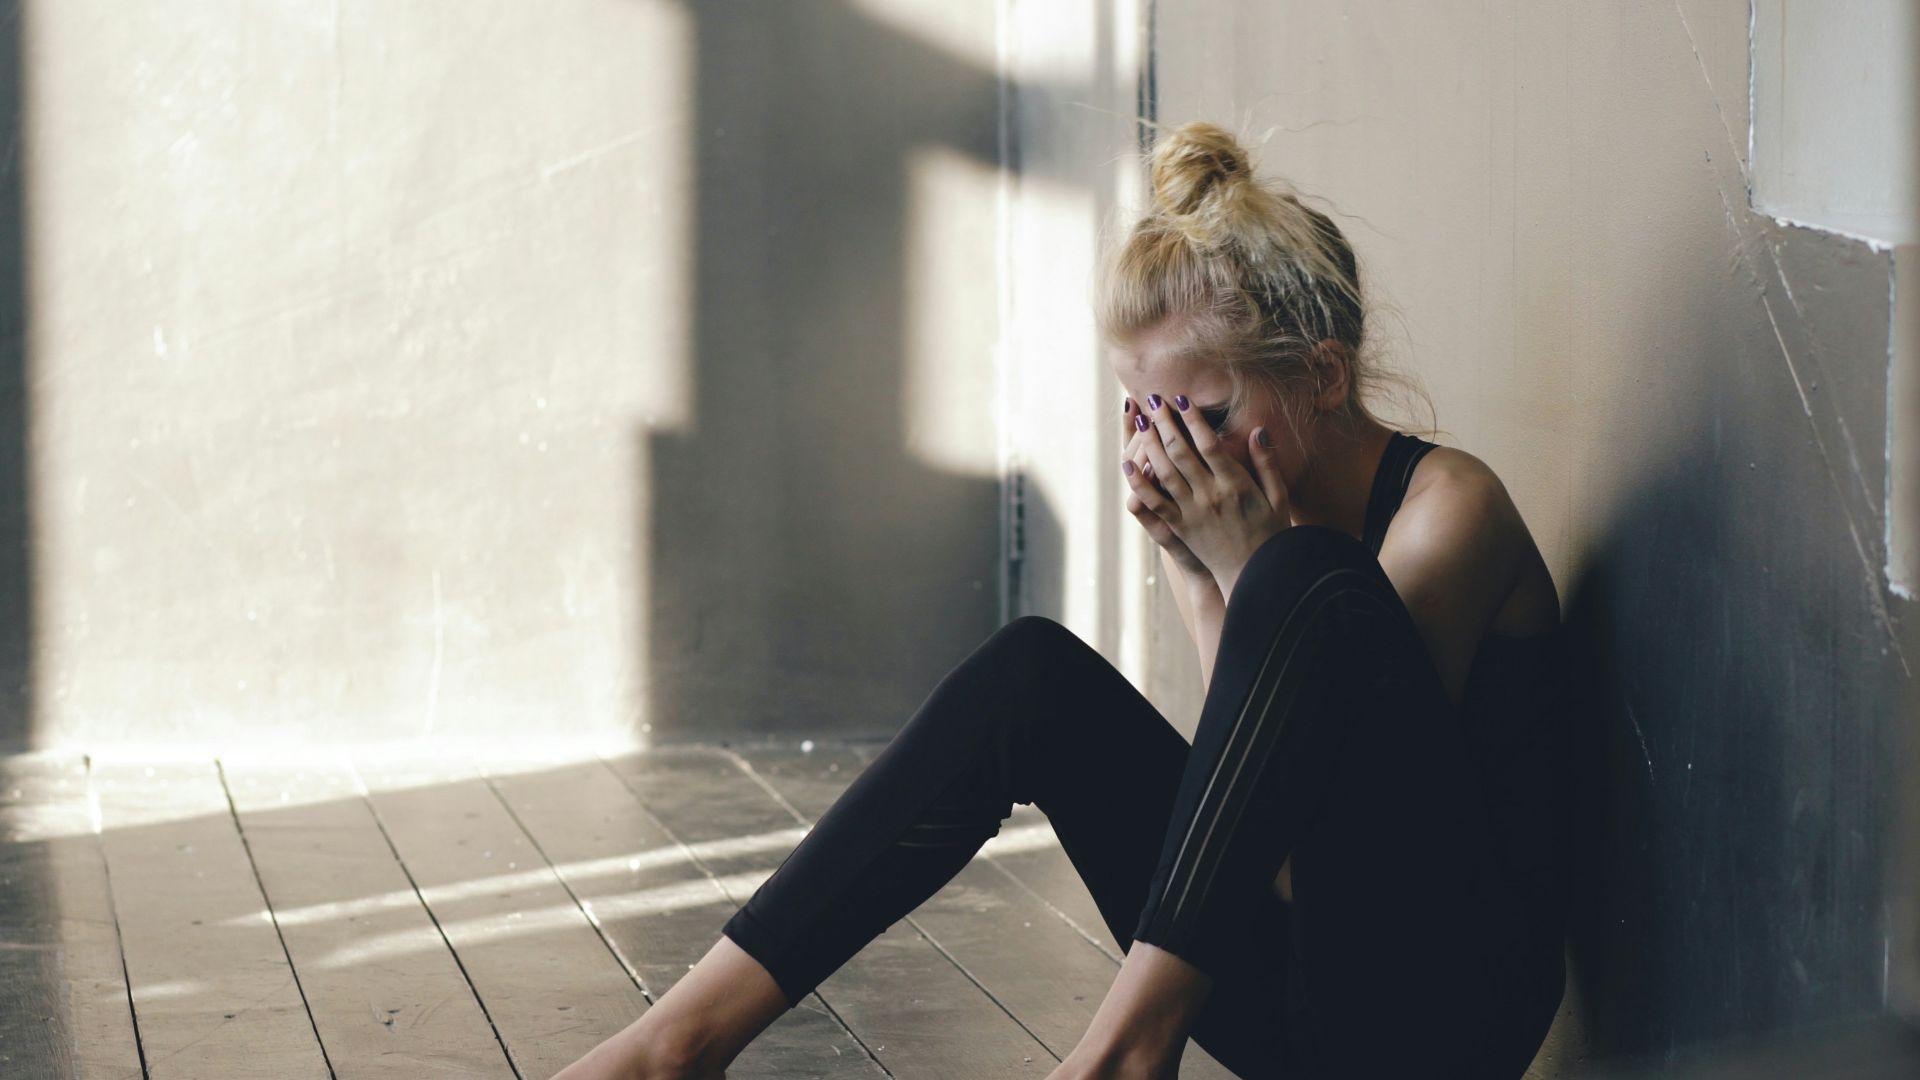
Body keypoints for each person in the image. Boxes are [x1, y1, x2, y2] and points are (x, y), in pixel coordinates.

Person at [554, 119, 1571, 1080]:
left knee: (1308, 578)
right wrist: (1201, 570)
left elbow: (1304, 865)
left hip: (1442, 1021)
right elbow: (1243, 825)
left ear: (1323, 377)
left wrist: (1249, 570)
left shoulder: (1447, 516)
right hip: (1297, 1008)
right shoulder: (1266, 541)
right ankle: (674, 1045)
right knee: (1033, 674)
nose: (1179, 451)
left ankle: (1119, 1056)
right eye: (1149, 416)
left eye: (1209, 413)